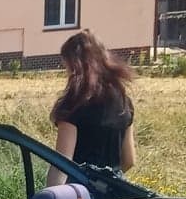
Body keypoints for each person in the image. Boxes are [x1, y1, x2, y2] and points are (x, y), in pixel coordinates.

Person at [45, 31, 136, 187]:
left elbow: (62, 165)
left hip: (80, 195)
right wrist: (106, 183)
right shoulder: (124, 102)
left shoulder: (73, 106)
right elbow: (129, 160)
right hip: (114, 194)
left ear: (75, 66)